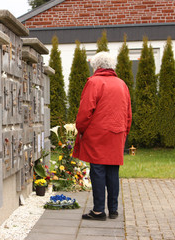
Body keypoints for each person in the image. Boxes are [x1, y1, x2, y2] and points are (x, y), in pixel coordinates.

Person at [73, 51, 132, 221]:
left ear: (97, 66)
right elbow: (128, 112)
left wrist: (81, 129)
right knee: (113, 171)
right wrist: (124, 132)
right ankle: (113, 210)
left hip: (98, 134)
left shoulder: (94, 82)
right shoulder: (122, 84)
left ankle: (98, 211)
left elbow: (85, 111)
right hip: (117, 132)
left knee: (97, 171)